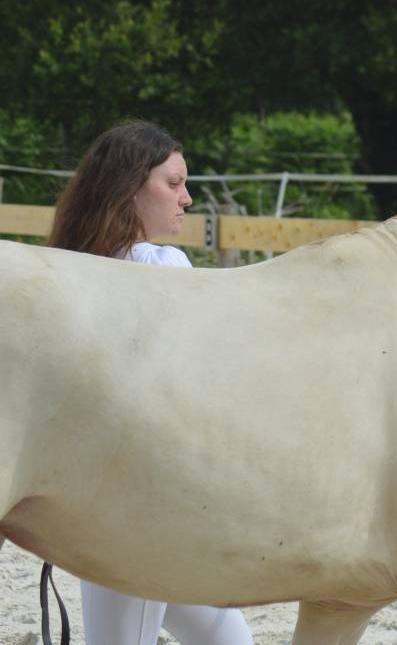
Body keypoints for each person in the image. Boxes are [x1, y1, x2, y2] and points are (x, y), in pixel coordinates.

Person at [47, 120, 254, 645]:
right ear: (129, 187)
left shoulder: (81, 267)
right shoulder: (155, 268)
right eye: (174, 182)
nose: (186, 198)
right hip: (137, 507)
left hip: (142, 507)